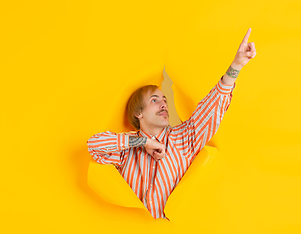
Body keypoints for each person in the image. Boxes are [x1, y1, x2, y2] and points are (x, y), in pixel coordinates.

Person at [87, 28, 257, 219]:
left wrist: (236, 66)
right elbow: (94, 145)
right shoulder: (127, 147)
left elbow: (212, 108)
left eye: (164, 100)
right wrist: (143, 143)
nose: (163, 104)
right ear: (138, 113)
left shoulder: (185, 137)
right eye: (154, 100)